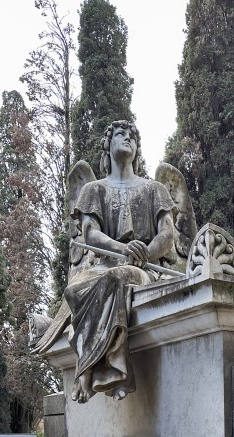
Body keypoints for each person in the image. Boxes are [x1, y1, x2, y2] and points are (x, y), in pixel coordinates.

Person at [33, 120, 176, 403]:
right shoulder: (93, 190)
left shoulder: (154, 189)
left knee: (116, 278)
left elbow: (168, 234)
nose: (127, 138)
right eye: (120, 134)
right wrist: (123, 248)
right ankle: (96, 364)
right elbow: (90, 233)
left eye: (132, 136)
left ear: (137, 148)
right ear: (108, 145)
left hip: (141, 269)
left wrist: (145, 253)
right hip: (104, 266)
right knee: (74, 289)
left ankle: (98, 371)